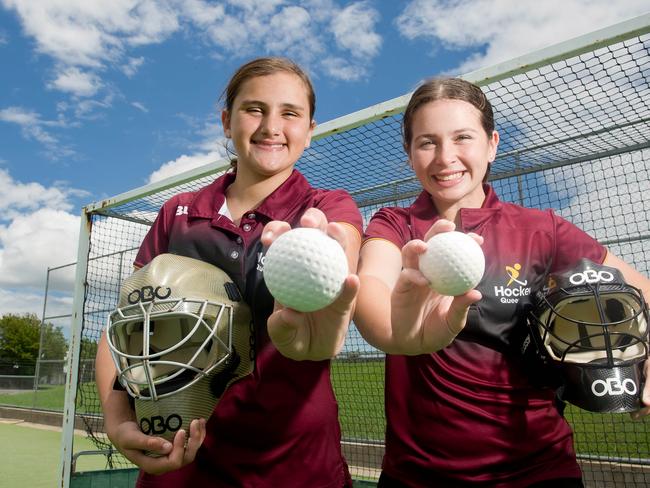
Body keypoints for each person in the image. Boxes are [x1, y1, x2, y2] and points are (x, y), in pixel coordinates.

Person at [354, 77, 650, 487]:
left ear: (492, 143)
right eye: (427, 142)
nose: (446, 157)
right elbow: (372, 294)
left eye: (463, 137)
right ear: (409, 154)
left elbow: (642, 291)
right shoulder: (393, 224)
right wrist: (393, 332)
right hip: (416, 476)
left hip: (538, 471)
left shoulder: (541, 230)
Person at [95, 56, 363, 487]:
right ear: (227, 121)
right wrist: (116, 417)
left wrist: (333, 259)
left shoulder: (328, 208)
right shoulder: (176, 213)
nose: (271, 126)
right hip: (179, 461)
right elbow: (125, 322)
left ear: (310, 131)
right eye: (254, 109)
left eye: (290, 113)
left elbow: (342, 248)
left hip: (294, 465)